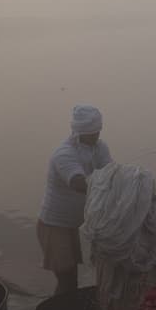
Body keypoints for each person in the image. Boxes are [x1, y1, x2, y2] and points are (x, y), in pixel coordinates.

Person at [38, 104, 112, 296]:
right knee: (67, 278)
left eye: (98, 131)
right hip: (54, 224)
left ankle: (67, 309)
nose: (97, 135)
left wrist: (124, 182)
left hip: (74, 224)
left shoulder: (100, 147)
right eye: (93, 132)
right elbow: (78, 183)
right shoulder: (64, 153)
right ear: (81, 132)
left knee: (72, 277)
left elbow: (110, 172)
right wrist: (109, 183)